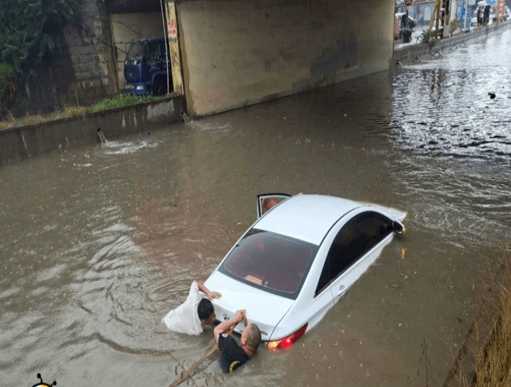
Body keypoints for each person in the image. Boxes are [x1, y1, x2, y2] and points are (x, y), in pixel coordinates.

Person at [213, 309, 261, 374]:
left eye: (243, 332)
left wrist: (235, 319)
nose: (242, 332)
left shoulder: (230, 345)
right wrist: (246, 319)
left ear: (244, 341)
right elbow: (254, 335)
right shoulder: (253, 353)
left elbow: (217, 330)